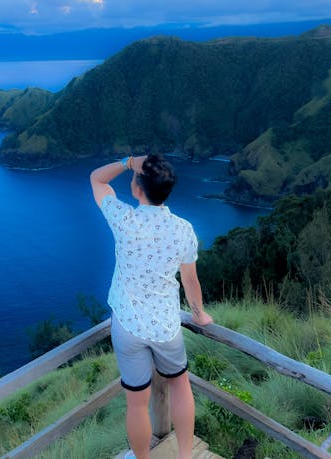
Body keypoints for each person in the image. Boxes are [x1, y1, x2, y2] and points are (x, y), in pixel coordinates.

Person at [90, 153, 213, 459]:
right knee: (181, 387)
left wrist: (128, 161)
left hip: (127, 325)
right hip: (165, 326)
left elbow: (96, 178)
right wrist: (200, 314)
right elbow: (190, 280)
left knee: (136, 401)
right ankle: (185, 455)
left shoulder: (124, 220)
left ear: (137, 188)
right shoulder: (183, 230)